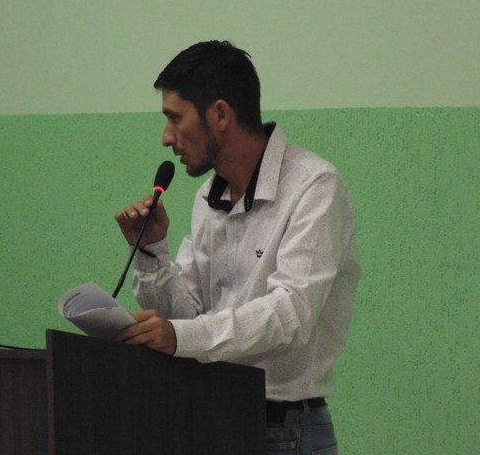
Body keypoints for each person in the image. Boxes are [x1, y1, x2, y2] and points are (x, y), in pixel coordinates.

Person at [114, 40, 360, 454]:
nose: (166, 138)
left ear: (220, 115)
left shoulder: (314, 187)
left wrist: (181, 336)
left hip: (285, 429)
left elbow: (291, 314)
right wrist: (150, 251)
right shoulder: (208, 197)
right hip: (212, 416)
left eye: (174, 117)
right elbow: (189, 317)